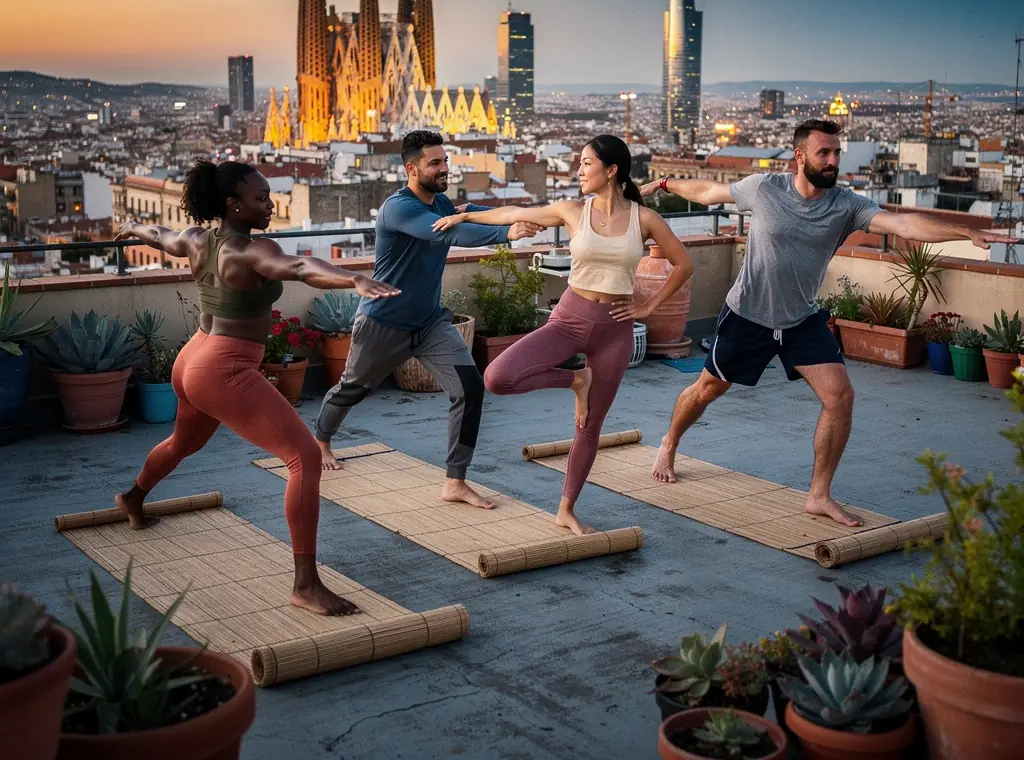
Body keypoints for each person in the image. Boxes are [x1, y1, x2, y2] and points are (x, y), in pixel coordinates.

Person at [641, 118, 1018, 526]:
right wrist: (664, 186)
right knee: (706, 390)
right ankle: (670, 441)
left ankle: (819, 495)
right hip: (748, 315)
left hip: (801, 320)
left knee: (840, 397)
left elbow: (904, 224)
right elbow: (708, 191)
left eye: (837, 153)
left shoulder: (846, 205)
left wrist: (964, 233)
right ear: (800, 156)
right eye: (825, 152)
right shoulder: (765, 188)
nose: (834, 160)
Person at [113, 159, 399, 616]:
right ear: (234, 204)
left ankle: (132, 498)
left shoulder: (197, 238)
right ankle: (305, 586)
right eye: (261, 198)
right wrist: (353, 278)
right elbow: (301, 266)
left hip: (193, 357)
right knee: (303, 457)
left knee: (184, 441)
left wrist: (130, 226)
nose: (270, 205)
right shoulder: (248, 250)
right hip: (222, 367)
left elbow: (159, 237)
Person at [433, 135, 693, 535]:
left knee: (589, 427)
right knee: (497, 378)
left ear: (611, 171)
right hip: (568, 319)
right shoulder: (572, 211)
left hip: (615, 332)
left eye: (586, 163)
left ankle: (566, 509)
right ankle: (576, 380)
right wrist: (466, 217)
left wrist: (647, 307)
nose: (578, 171)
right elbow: (514, 212)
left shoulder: (645, 219)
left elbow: (683, 266)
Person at [312, 130, 544, 509]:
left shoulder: (440, 204)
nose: (444, 168)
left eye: (446, 161)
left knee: (469, 388)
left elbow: (464, 222)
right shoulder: (399, 208)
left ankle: (455, 481)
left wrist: (511, 226)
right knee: (353, 387)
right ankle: (321, 439)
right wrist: (506, 233)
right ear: (411, 168)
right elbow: (445, 234)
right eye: (435, 163)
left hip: (430, 322)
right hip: (383, 322)